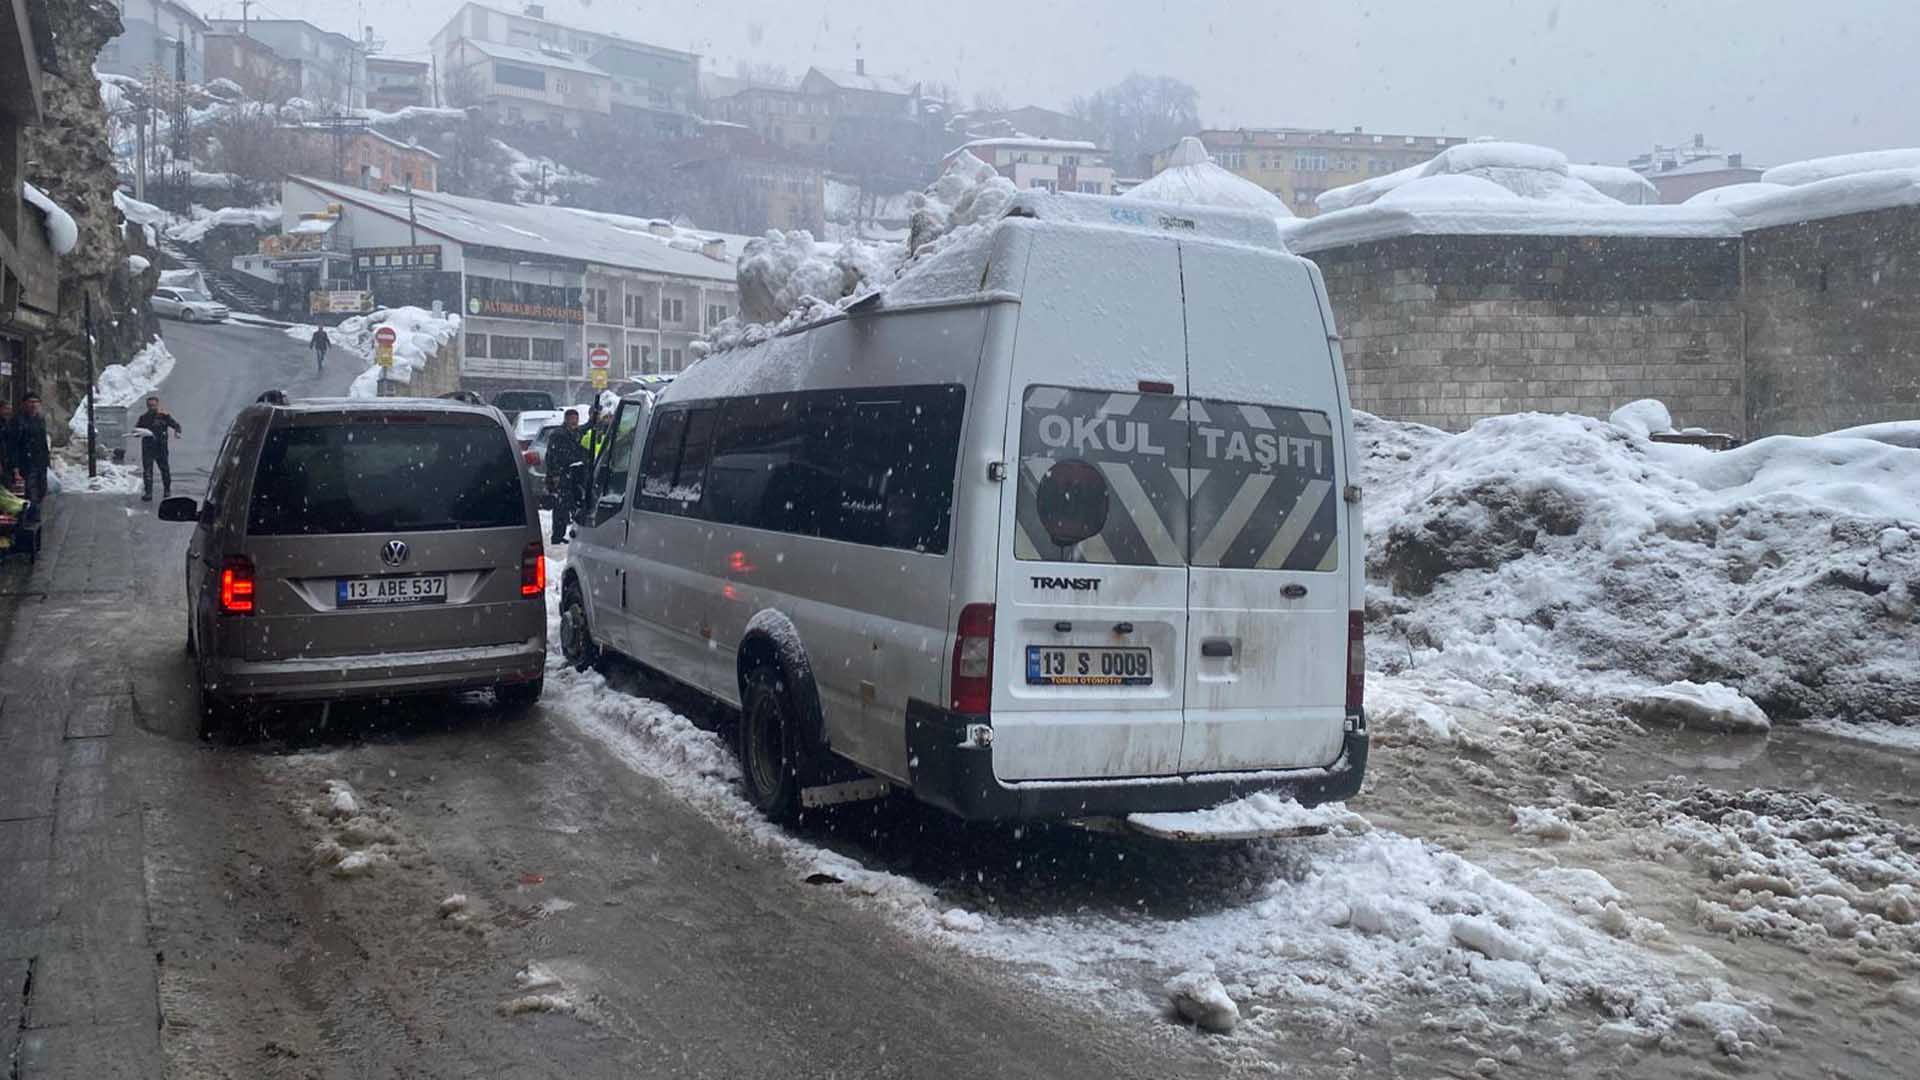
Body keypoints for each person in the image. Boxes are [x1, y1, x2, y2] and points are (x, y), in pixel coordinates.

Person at [542, 410, 587, 545]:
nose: (575, 422)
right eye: (572, 419)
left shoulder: (575, 432)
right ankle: (557, 536)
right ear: (566, 419)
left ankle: (565, 534)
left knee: (570, 506)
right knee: (560, 507)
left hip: (572, 475)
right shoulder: (559, 435)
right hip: (561, 476)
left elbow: (584, 430)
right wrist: (554, 474)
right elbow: (551, 456)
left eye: (576, 419)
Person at [134, 394, 184, 502]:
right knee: (147, 471)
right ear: (147, 406)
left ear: (157, 405)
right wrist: (139, 433)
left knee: (164, 469)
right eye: (150, 406)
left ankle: (167, 490)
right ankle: (148, 493)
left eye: (153, 405)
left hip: (161, 447)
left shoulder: (164, 416)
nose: (152, 408)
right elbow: (136, 431)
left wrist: (177, 432)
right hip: (148, 448)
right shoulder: (143, 418)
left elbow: (176, 425)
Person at [15, 394, 49, 505]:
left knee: (42, 488)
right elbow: (14, 443)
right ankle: (32, 515)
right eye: (30, 402)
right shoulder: (19, 420)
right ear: (25, 404)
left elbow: (43, 441)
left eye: (36, 402)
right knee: (31, 489)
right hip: (27, 460)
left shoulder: (40, 419)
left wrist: (47, 459)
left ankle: (35, 511)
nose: (33, 404)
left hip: (40, 460)